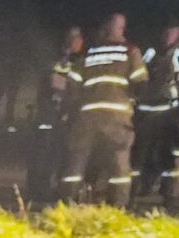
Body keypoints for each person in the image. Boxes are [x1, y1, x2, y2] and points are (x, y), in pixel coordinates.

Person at [58, 14, 146, 207]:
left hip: (87, 117)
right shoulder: (130, 51)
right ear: (121, 29)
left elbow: (72, 86)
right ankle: (117, 206)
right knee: (119, 164)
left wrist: (70, 111)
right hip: (117, 118)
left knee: (77, 160)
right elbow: (140, 83)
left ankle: (68, 203)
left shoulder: (89, 53)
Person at [133, 23, 179, 209]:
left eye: (171, 31)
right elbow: (140, 77)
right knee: (142, 152)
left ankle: (170, 193)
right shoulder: (150, 52)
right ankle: (140, 187)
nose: (167, 35)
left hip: (170, 111)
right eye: (164, 31)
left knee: (170, 154)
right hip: (147, 111)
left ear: (178, 33)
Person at [30, 26, 82, 200]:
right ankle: (39, 189)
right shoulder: (58, 62)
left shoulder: (78, 63)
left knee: (60, 155)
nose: (76, 42)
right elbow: (50, 87)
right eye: (73, 38)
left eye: (77, 38)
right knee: (45, 153)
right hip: (51, 114)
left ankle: (53, 188)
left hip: (65, 115)